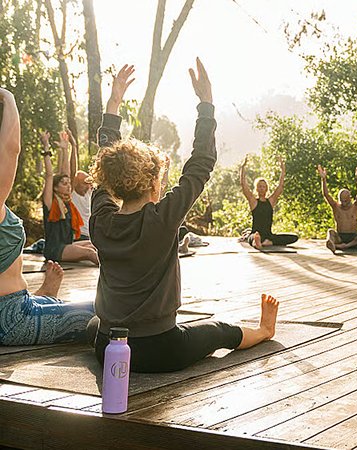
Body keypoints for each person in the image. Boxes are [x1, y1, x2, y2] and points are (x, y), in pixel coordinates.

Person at [90, 61, 279, 373]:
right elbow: (201, 163)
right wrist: (206, 104)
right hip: (160, 349)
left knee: (93, 323)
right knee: (218, 331)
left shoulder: (101, 220)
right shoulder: (161, 219)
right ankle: (263, 331)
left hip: (106, 346)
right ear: (153, 184)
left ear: (110, 181)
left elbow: (105, 164)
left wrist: (113, 106)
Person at [0, 87, 95, 346]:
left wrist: (68, 147)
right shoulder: (49, 199)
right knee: (106, 312)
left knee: (73, 304)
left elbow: (65, 172)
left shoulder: (67, 199)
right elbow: (11, 149)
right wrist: (8, 97)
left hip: (15, 305)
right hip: (11, 318)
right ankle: (45, 296)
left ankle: (45, 294)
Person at [40, 130, 98, 265]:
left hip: (67, 245)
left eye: (69, 184)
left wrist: (65, 149)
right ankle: (115, 271)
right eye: (64, 184)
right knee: (89, 253)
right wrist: (46, 147)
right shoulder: (50, 202)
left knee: (94, 244)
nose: (68, 186)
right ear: (55, 188)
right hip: (55, 249)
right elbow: (49, 175)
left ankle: (121, 261)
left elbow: (66, 171)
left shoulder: (66, 201)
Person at [239, 154, 298, 249]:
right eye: (259, 186)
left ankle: (267, 242)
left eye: (263, 186)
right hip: (255, 233)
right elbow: (243, 185)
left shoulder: (271, 201)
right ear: (256, 189)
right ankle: (256, 241)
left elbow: (280, 187)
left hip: (268, 235)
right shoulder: (253, 201)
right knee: (251, 236)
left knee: (294, 237)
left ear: (266, 189)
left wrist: (283, 170)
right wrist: (243, 167)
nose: (262, 188)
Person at [317, 164, 357, 253]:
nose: (344, 203)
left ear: (350, 198)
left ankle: (345, 246)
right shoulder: (336, 207)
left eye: (346, 201)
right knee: (330, 232)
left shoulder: (355, 206)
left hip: (354, 237)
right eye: (342, 201)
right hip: (340, 236)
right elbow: (326, 195)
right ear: (339, 199)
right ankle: (333, 244)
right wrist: (323, 179)